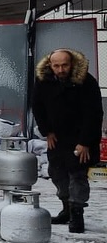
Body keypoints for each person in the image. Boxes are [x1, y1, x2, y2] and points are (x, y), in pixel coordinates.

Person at [32, 48, 103, 233]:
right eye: (56, 66)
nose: (61, 69)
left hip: (81, 138)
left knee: (77, 176)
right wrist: (47, 131)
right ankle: (66, 208)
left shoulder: (86, 82)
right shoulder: (43, 81)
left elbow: (94, 114)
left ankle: (77, 213)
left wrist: (85, 141)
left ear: (71, 64)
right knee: (57, 173)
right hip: (57, 138)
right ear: (50, 65)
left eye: (64, 65)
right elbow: (38, 107)